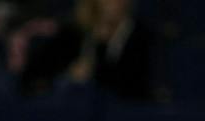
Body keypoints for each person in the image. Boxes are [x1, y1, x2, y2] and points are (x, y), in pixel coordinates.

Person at [13, 0, 151, 100]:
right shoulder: (73, 34)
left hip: (119, 120)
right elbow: (33, 75)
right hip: (69, 116)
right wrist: (67, 76)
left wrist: (93, 71)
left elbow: (136, 86)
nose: (113, 2)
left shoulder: (142, 36)